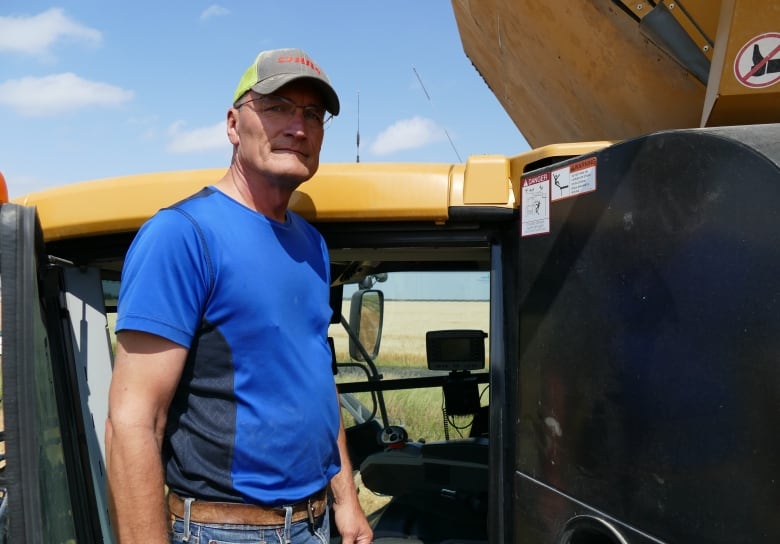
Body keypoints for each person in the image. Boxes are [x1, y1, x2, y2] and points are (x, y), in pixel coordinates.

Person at [105, 48, 373, 544]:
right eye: (277, 107)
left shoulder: (311, 245)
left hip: (313, 526)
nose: (299, 125)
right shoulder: (182, 235)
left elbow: (314, 376)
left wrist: (346, 501)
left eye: (313, 114)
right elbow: (132, 420)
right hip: (224, 530)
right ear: (233, 124)